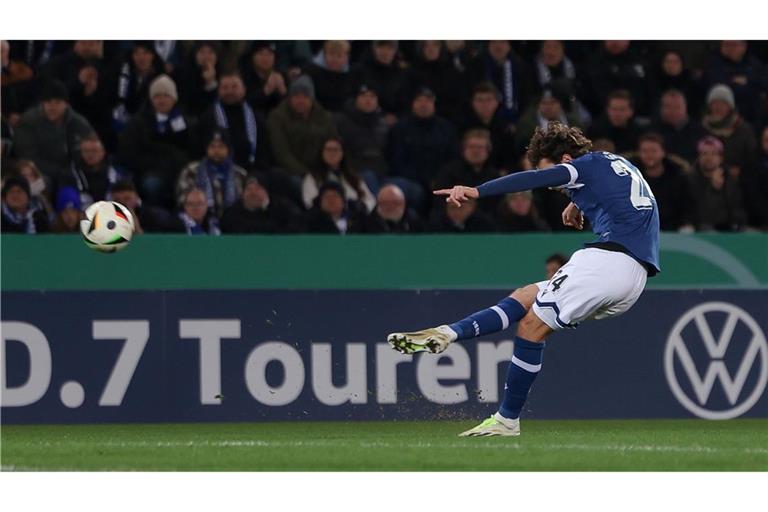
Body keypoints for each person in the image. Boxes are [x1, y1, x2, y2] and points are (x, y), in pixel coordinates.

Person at [388, 121, 659, 437]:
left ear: (566, 160)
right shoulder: (614, 162)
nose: (553, 187)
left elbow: (535, 178)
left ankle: (507, 419)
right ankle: (448, 333)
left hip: (609, 261)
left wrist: (476, 190)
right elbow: (625, 198)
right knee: (526, 296)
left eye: (555, 177)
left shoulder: (577, 168)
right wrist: (577, 201)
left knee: (532, 326)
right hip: (633, 275)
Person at [118, 74, 194, 208]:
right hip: (150, 172)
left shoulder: (186, 123)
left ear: (174, 99)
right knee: (152, 185)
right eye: (158, 96)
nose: (162, 100)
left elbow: (192, 148)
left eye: (166, 96)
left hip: (181, 170)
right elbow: (130, 153)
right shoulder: (138, 123)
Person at [388, 87, 459, 209]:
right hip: (411, 180)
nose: (423, 104)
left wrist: (439, 178)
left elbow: (453, 158)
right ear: (413, 104)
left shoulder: (446, 128)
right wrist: (423, 180)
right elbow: (396, 160)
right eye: (419, 101)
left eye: (428, 101)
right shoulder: (400, 129)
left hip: (441, 180)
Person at [12, 79, 93, 179]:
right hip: (39, 173)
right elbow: (27, 157)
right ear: (42, 103)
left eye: (57, 102)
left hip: (72, 175)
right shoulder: (29, 122)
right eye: (48, 102)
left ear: (66, 105)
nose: (52, 107)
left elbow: (88, 153)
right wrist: (59, 172)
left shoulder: (79, 124)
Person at [266, 75, 338, 178]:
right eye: (296, 96)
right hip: (290, 173)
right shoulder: (277, 118)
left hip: (321, 171)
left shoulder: (324, 117)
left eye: (305, 96)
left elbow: (334, 144)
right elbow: (282, 153)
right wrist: (306, 174)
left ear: (312, 98)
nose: (300, 100)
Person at [198, 72, 268, 170]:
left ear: (244, 90)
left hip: (252, 171)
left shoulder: (256, 118)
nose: (229, 91)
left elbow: (264, 151)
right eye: (225, 87)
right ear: (218, 91)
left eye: (234, 87)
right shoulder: (208, 117)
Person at [177, 130, 248, 218]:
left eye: (221, 146)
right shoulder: (191, 171)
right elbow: (182, 199)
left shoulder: (240, 174)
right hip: (200, 221)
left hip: (234, 222)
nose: (216, 150)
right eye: (212, 146)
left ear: (228, 149)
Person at [632, 133, 695, 232]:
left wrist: (686, 224)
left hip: (674, 230)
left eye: (654, 151)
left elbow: (687, 206)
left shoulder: (677, 177)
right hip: (641, 231)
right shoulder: (631, 178)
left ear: (663, 152)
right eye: (645, 151)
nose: (649, 155)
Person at [434, 129, 501, 214]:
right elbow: (440, 204)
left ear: (488, 150)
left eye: (480, 147)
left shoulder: (495, 176)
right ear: (463, 149)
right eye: (471, 147)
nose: (475, 151)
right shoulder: (449, 172)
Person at [333, 84, 391, 183]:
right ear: (356, 99)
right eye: (363, 96)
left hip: (382, 173)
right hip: (355, 172)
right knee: (369, 178)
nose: (368, 100)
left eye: (372, 96)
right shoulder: (342, 122)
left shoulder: (384, 124)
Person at [302, 137, 376, 212]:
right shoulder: (313, 177)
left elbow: (370, 200)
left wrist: (363, 207)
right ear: (322, 153)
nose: (332, 153)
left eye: (336, 150)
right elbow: (310, 203)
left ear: (342, 153)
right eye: (328, 150)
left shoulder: (353, 177)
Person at [689, 136, 747, 231]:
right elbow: (700, 213)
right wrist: (713, 189)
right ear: (698, 157)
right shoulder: (690, 180)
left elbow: (737, 208)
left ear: (721, 158)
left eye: (714, 154)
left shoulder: (730, 180)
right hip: (702, 227)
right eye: (704, 153)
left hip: (730, 226)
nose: (709, 157)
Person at [468, 40, 533, 123]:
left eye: (502, 42)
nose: (498, 46)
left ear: (509, 45)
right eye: (494, 42)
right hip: (479, 120)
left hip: (513, 121)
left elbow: (526, 98)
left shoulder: (520, 68)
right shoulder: (475, 66)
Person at [701, 83, 758, 176]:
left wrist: (740, 171)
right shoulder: (702, 128)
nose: (718, 107)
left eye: (723, 103)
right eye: (715, 103)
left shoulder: (743, 129)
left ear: (730, 107)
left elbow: (752, 157)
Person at [350, 41, 412, 124]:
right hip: (364, 119)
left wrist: (396, 117)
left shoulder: (401, 73)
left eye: (389, 48)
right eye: (381, 47)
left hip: (394, 121)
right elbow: (351, 98)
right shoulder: (360, 71)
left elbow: (406, 102)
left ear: (395, 51)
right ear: (374, 49)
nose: (385, 52)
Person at [704, 41, 766, 123]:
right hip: (725, 112)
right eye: (726, 45)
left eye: (734, 45)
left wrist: (748, 81)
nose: (730, 48)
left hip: (753, 112)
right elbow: (719, 85)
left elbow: (762, 83)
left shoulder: (753, 62)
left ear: (744, 47)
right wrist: (747, 84)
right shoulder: (714, 63)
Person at [410, 40, 469, 124]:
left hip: (448, 120)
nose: (431, 49)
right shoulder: (412, 73)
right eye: (426, 46)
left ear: (441, 48)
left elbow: (459, 101)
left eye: (435, 45)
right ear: (421, 49)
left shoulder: (452, 73)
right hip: (418, 119)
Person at [461, 82, 517, 169]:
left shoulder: (505, 128)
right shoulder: (462, 127)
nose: (484, 104)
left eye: (489, 100)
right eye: (479, 100)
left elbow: (510, 157)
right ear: (472, 102)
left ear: (497, 102)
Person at [110, 41, 164, 132]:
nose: (141, 58)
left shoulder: (161, 78)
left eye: (145, 53)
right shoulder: (123, 75)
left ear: (152, 55)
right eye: (137, 53)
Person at [61, 133, 125, 209]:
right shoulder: (71, 174)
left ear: (103, 151)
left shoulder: (115, 173)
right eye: (86, 151)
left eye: (94, 151)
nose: (90, 155)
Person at [220, 175, 302, 233]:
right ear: (243, 193)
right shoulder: (232, 213)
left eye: (258, 188)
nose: (253, 193)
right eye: (249, 189)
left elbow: (294, 228)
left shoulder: (283, 208)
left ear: (266, 192)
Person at [651, 89, 706, 164]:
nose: (673, 111)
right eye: (668, 107)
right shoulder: (652, 131)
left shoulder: (699, 132)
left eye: (677, 107)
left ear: (685, 108)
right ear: (661, 108)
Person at [174, 41, 222, 117]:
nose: (206, 57)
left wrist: (211, 82)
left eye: (210, 52)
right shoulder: (183, 74)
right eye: (202, 52)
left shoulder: (222, 74)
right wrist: (209, 83)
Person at [588, 89, 643, 153]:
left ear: (631, 111)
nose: (617, 114)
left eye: (622, 109)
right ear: (608, 110)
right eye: (614, 109)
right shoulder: (595, 130)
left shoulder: (639, 133)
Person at [240, 41, 287, 115]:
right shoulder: (245, 77)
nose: (265, 58)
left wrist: (283, 91)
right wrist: (265, 91)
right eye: (261, 54)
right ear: (253, 56)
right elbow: (245, 104)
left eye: (270, 54)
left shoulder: (282, 76)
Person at [305, 40, 352, 112]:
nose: (335, 59)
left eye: (339, 56)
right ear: (324, 55)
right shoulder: (311, 72)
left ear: (346, 57)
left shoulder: (352, 75)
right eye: (331, 55)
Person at [427, 197, 496, 233]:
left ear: (472, 207)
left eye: (461, 208)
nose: (457, 212)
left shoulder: (484, 224)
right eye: (453, 208)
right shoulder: (437, 224)